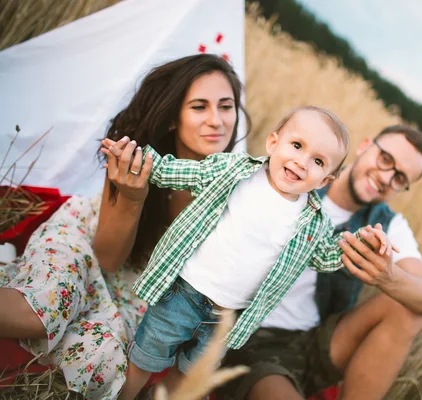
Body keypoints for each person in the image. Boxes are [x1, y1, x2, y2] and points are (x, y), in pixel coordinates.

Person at [101, 106, 398, 400]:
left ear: (325, 180)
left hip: (226, 319)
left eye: (318, 161)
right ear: (273, 143)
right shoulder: (235, 170)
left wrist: (363, 242)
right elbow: (179, 171)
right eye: (296, 145)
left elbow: (325, 256)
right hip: (183, 291)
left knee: (189, 375)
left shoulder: (312, 221)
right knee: (145, 358)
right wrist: (137, 158)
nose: (301, 162)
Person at [0, 53, 250, 400]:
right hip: (89, 239)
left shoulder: (240, 190)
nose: (217, 121)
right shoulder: (136, 159)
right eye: (199, 107)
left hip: (142, 287)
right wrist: (132, 198)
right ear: (174, 118)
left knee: (103, 356)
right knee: (42, 309)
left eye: (226, 106)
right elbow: (106, 259)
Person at [219, 125, 422, 400]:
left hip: (316, 341)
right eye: (385, 159)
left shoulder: (387, 224)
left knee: (407, 309)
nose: (386, 177)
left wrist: (388, 278)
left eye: (400, 178)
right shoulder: (299, 176)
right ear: (365, 146)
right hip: (253, 335)